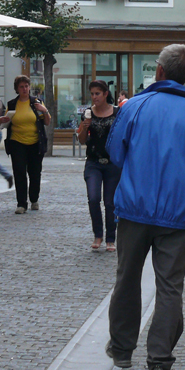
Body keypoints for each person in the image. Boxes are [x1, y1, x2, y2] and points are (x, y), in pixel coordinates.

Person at [105, 44, 185, 370]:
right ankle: (159, 362)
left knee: (126, 279)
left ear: (159, 71)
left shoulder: (135, 107)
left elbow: (115, 153)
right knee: (170, 288)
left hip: (134, 209)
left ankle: (122, 348)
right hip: (176, 212)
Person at [76, 80, 121, 252]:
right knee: (93, 198)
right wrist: (83, 128)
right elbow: (81, 140)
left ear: (105, 94)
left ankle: (110, 238)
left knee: (110, 202)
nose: (94, 97)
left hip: (112, 163)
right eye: (92, 94)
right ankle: (98, 235)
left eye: (97, 93)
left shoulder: (117, 112)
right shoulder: (88, 114)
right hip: (93, 162)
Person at [0, 75, 51, 214]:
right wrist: (3, 120)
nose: (24, 89)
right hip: (17, 142)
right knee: (19, 172)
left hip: (35, 142)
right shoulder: (12, 104)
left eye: (26, 86)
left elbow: (47, 122)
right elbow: (6, 123)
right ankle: (21, 203)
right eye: (21, 87)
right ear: (17, 89)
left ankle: (34, 199)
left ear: (29, 87)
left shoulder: (36, 102)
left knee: (34, 173)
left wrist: (44, 110)